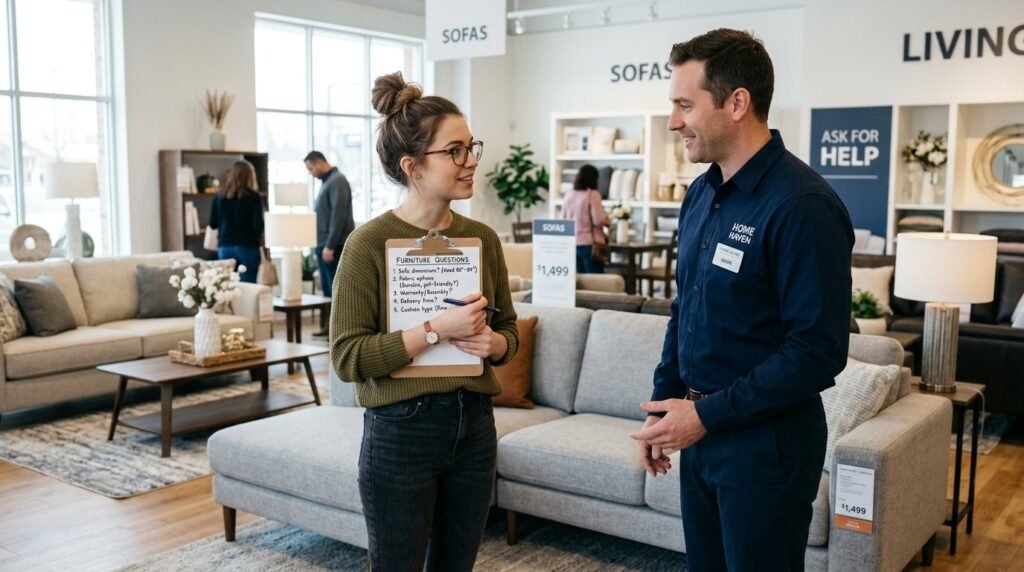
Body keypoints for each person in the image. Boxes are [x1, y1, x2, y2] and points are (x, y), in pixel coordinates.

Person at [630, 29, 854, 571]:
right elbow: (686, 308)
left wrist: (706, 415)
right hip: (699, 430)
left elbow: (817, 349)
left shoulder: (802, 204)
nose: (673, 121)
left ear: (737, 103)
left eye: (685, 105)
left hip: (766, 445)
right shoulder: (701, 193)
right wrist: (665, 409)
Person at [330, 71, 519, 572]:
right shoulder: (367, 244)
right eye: (454, 151)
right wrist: (436, 330)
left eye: (471, 147)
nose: (471, 160)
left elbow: (511, 334)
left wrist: (493, 345)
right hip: (400, 432)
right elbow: (348, 358)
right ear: (412, 166)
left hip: (475, 425)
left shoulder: (482, 238)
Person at [304, 150, 356, 335]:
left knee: (336, 291)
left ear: (318, 163)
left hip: (333, 246)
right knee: (327, 291)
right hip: (325, 245)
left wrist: (329, 246)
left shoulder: (337, 181)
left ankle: (337, 330)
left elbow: (338, 216)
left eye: (311, 169)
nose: (311, 173)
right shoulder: (328, 181)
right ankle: (329, 328)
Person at [208, 161, 264, 283]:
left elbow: (212, 223)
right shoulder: (254, 197)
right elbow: (258, 226)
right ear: (250, 176)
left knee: (227, 287)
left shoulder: (219, 196)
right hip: (248, 246)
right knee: (247, 287)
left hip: (225, 246)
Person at [561, 164, 609, 273]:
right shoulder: (593, 194)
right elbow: (598, 220)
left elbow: (563, 220)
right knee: (594, 282)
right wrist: (606, 221)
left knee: (578, 281)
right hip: (590, 244)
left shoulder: (569, 194)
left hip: (572, 243)